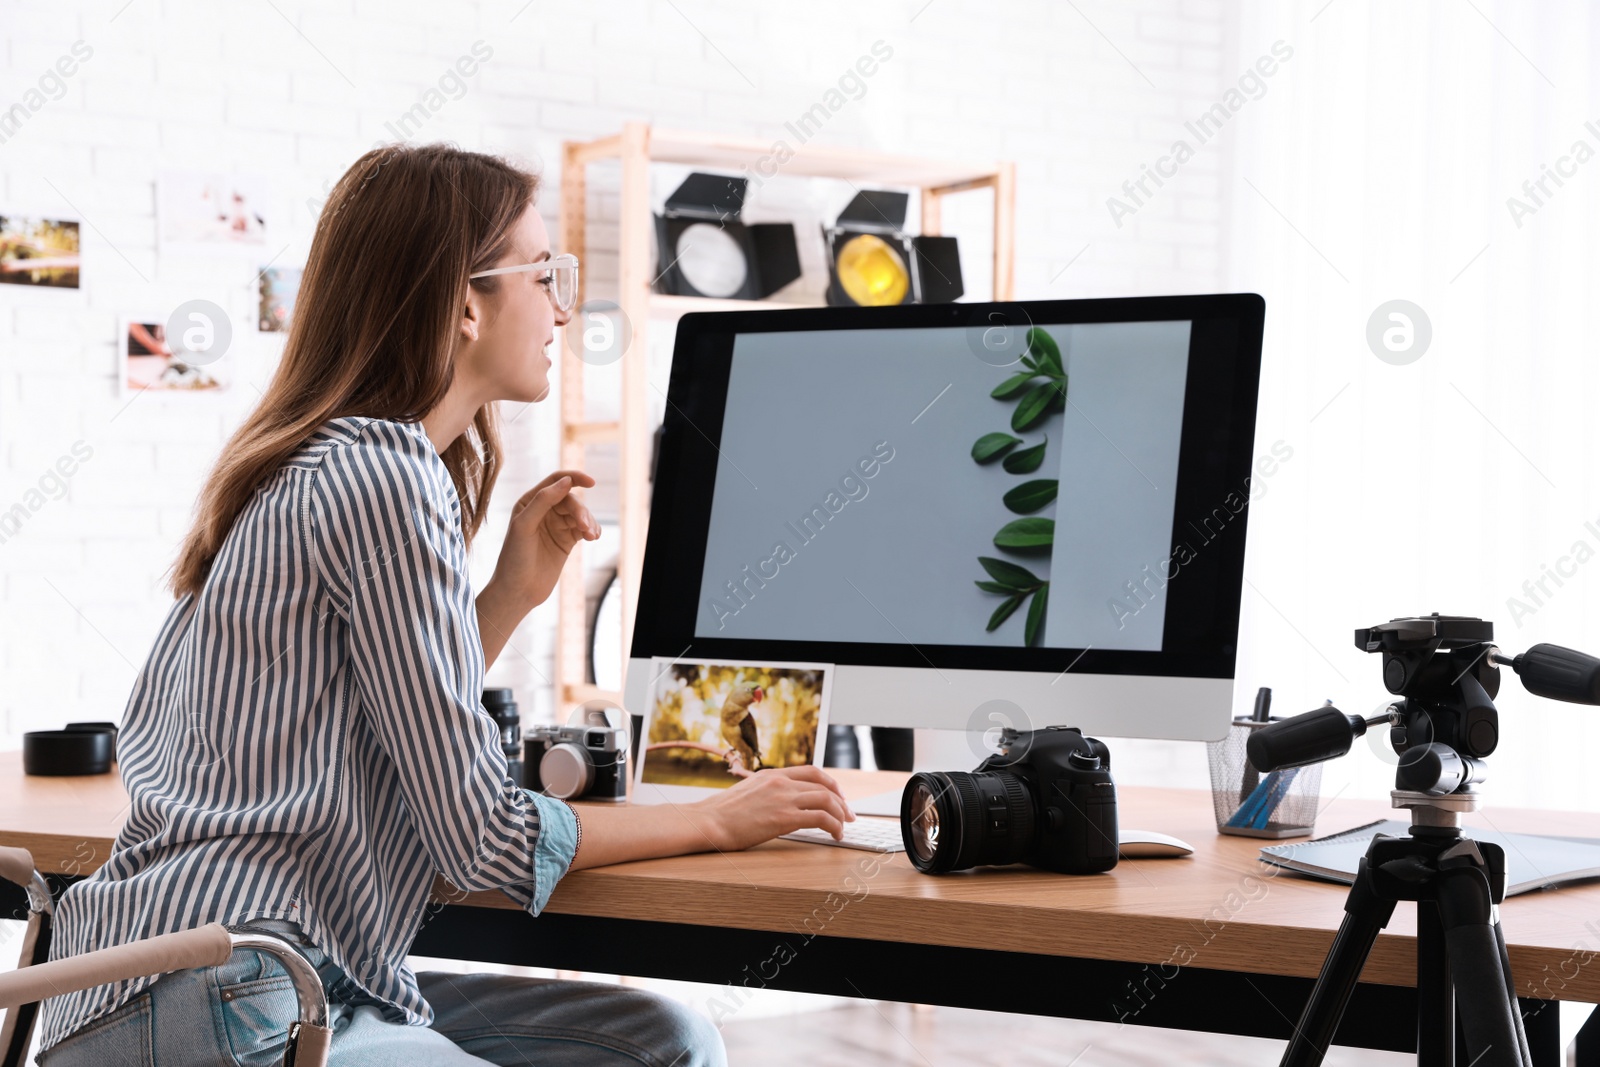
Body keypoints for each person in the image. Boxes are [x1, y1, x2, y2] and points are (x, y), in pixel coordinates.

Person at [35, 143, 855, 1067]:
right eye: (545, 273)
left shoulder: (318, 461)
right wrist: (719, 816)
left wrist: (506, 595)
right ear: (465, 302)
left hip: (226, 981)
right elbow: (480, 840)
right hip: (225, 991)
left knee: (663, 1040)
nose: (561, 304)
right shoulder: (387, 474)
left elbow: (370, 721)